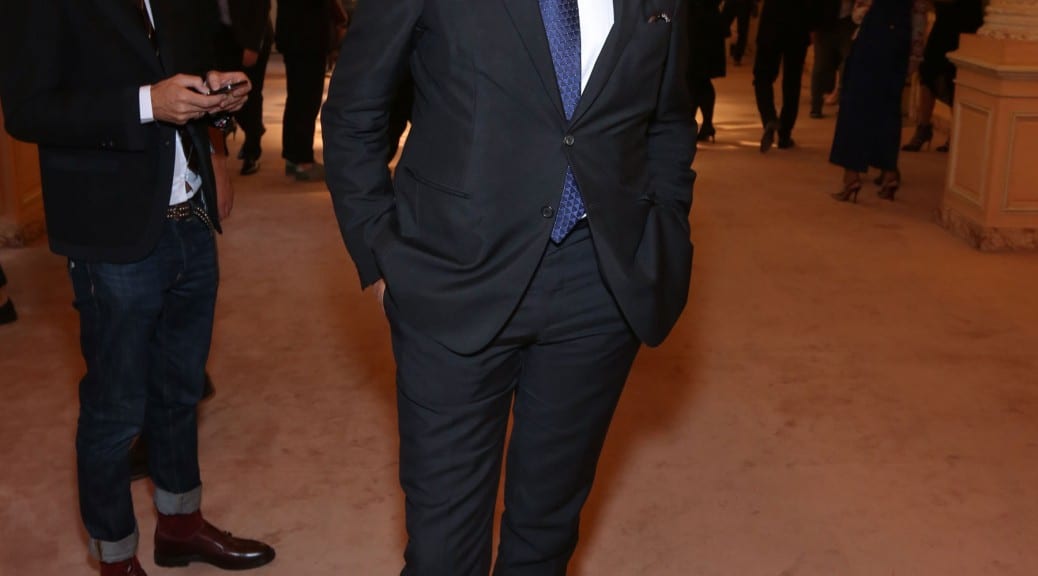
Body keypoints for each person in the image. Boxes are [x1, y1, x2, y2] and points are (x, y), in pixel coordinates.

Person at [323, 0, 696, 573]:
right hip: (452, 272)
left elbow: (668, 120)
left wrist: (664, 225)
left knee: (546, 534)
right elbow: (355, 109)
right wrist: (378, 254)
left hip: (600, 284)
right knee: (443, 551)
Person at [0, 2, 276, 575]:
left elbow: (183, 65)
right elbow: (27, 110)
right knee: (116, 409)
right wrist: (148, 103)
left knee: (180, 391)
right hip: (109, 228)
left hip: (189, 214)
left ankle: (179, 526)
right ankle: (116, 558)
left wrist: (216, 104)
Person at [830, 0, 928, 202]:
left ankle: (851, 176)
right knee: (888, 108)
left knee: (855, 107)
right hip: (900, 37)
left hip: (873, 34)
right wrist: (915, 54)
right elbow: (919, 12)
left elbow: (860, 12)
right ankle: (889, 173)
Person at [901, 0, 984, 152]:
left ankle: (956, 133)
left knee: (954, 77)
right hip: (944, 20)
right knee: (927, 70)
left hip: (966, 20)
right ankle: (924, 127)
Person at [275, 0, 343, 181]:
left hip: (299, 37)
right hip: (305, 38)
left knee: (299, 99)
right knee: (305, 101)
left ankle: (295, 157)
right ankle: (301, 160)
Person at [215, 0, 274, 175]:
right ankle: (223, 141)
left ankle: (252, 151)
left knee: (250, 94)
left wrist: (253, 45)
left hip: (251, 36)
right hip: (222, 37)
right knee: (221, 93)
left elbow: (261, 6)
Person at [753, 0, 819, 152]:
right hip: (798, 25)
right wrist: (813, 26)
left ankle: (769, 117)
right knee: (792, 81)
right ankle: (785, 133)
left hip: (771, 23)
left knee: (762, 77)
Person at [689, 0, 728, 142]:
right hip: (708, 23)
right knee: (700, 78)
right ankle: (705, 124)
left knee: (694, 77)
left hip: (696, 24)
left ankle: (693, 124)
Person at [809, 0, 856, 118]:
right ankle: (816, 106)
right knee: (821, 66)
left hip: (848, 22)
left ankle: (844, 103)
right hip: (825, 23)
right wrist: (813, 27)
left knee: (848, 63)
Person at [722, 0, 758, 66]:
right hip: (743, 4)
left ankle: (736, 58)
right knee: (742, 32)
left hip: (738, 3)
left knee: (722, 27)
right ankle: (737, 58)